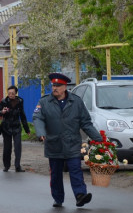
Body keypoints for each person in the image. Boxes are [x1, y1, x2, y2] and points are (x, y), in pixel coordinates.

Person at [33, 73, 102, 208]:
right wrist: (41, 133)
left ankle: (80, 195)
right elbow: (38, 118)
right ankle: (58, 198)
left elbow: (86, 122)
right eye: (53, 85)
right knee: (56, 175)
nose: (55, 88)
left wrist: (98, 139)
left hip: (72, 143)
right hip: (54, 144)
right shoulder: (44, 102)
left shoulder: (76, 101)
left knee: (75, 169)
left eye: (58, 86)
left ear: (65, 87)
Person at [0, 85, 30, 172]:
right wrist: (2, 112)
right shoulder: (4, 101)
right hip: (6, 127)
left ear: (16, 93)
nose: (10, 95)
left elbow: (22, 115)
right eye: (9, 93)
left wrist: (27, 129)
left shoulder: (20, 101)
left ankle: (17, 166)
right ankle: (6, 165)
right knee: (7, 147)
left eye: (12, 93)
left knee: (18, 147)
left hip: (16, 127)